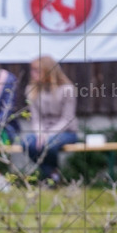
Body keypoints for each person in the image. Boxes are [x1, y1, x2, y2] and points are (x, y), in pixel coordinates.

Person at [20, 55, 78, 183]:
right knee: (27, 143)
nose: (33, 74)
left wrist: (48, 135)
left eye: (37, 71)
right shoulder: (31, 90)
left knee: (48, 144)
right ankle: (52, 174)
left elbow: (67, 119)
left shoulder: (67, 89)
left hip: (66, 132)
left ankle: (49, 177)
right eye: (32, 70)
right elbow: (36, 119)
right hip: (42, 132)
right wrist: (40, 134)